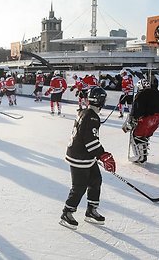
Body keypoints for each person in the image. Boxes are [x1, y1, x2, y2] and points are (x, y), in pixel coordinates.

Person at [60, 87, 116, 230]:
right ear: (101, 100)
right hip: (80, 156)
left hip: (85, 155)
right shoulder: (91, 116)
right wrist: (102, 155)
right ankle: (67, 213)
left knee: (96, 180)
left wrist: (98, 154)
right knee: (79, 186)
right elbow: (89, 140)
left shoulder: (85, 112)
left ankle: (91, 210)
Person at [122, 79, 159, 164]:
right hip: (158, 119)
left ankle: (141, 157)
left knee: (136, 135)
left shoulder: (141, 94)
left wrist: (133, 119)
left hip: (147, 118)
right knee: (144, 136)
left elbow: (137, 109)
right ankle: (143, 155)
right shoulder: (158, 93)